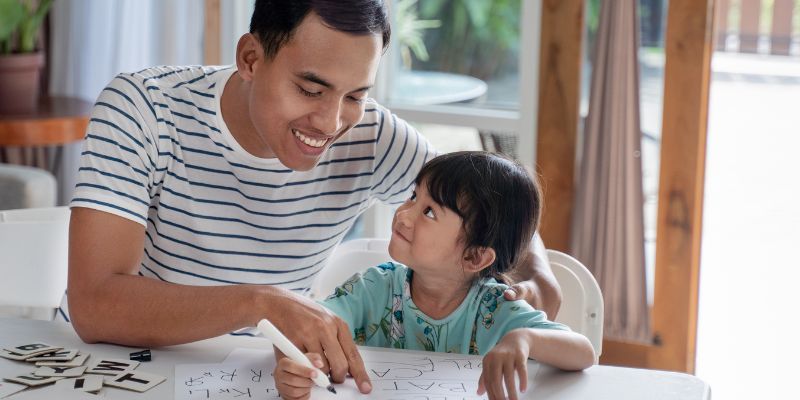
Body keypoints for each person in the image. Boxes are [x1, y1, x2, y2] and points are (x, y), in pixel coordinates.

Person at [67, 0, 561, 396]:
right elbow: (95, 305)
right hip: (114, 374)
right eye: (310, 89)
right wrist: (261, 302)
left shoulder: (371, 135)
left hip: (272, 380)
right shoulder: (144, 108)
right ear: (250, 58)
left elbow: (488, 202)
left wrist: (535, 272)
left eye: (354, 96)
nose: (330, 124)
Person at [274, 152, 594, 400]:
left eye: (429, 212)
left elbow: (583, 351)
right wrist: (301, 362)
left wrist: (524, 338)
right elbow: (304, 330)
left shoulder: (495, 310)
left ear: (475, 256)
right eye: (414, 196)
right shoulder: (373, 288)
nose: (404, 213)